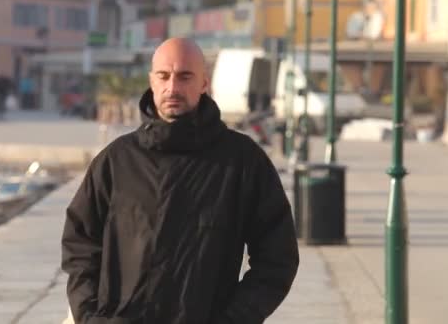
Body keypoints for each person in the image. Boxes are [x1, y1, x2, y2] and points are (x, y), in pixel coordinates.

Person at [61, 38, 299, 324]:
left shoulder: (242, 162)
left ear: (203, 83)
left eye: (185, 76)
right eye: (164, 76)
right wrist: (89, 316)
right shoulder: (117, 161)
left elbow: (278, 257)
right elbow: (80, 245)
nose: (172, 87)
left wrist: (235, 318)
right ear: (152, 81)